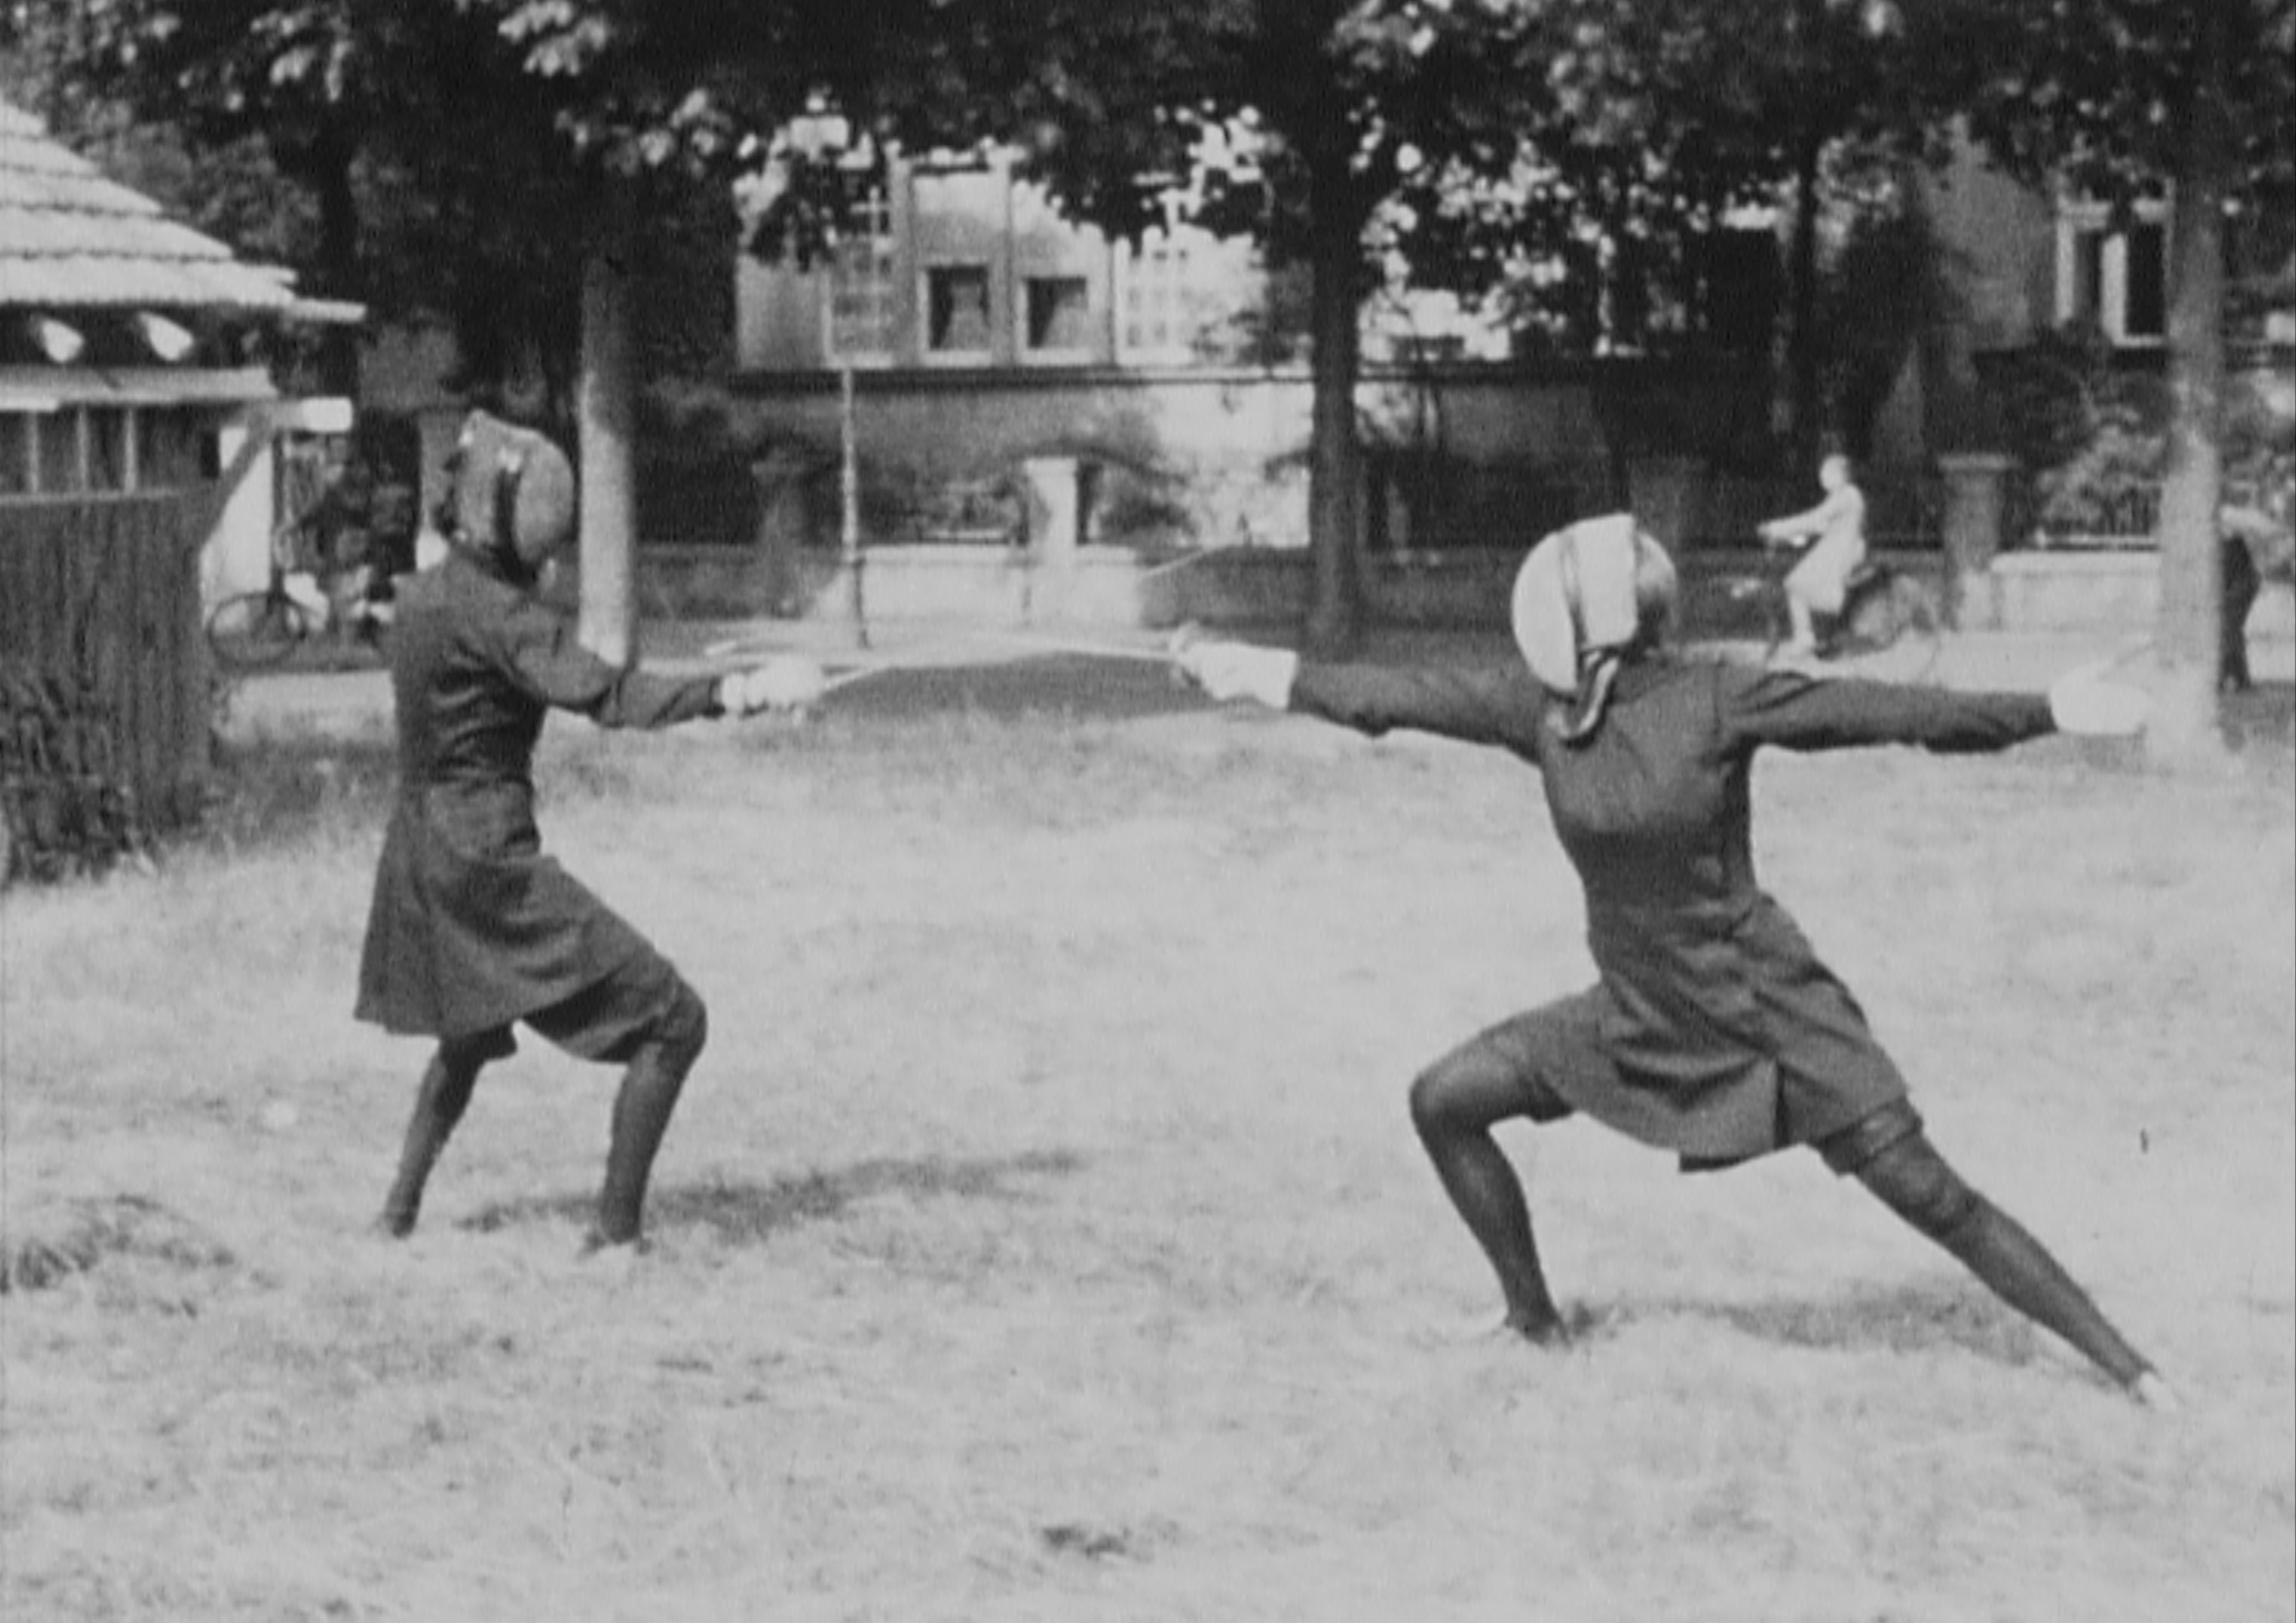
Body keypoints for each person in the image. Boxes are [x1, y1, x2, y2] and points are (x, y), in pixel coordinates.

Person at [1177, 513, 2176, 1409]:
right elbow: (1387, 697)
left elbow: (1885, 713)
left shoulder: (1714, 698)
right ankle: (1533, 1320)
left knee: (1930, 1194)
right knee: (1443, 1097)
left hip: (1763, 1006)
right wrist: (1248, 670)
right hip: (1638, 1008)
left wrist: (2049, 707)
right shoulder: (1545, 715)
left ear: (1588, 618)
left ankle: (2133, 1370)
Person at [360, 411, 826, 1255]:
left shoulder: (422, 599)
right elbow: (610, 698)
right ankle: (615, 1240)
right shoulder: (502, 618)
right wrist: (743, 691)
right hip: (484, 859)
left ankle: (394, 1213)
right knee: (674, 1019)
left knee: (466, 1032)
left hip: (419, 856)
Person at [1758, 451, 1868, 664]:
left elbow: (1813, 520)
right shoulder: (1843, 497)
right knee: (1797, 584)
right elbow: (1818, 526)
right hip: (1835, 549)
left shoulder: (1846, 496)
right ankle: (1815, 637)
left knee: (1795, 585)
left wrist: (1774, 528)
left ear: (1840, 474)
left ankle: (1805, 638)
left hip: (1839, 552)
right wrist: (1788, 536)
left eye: (1827, 473)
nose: (1823, 477)